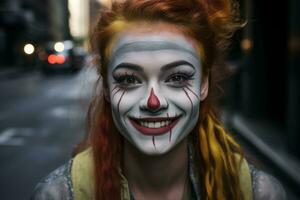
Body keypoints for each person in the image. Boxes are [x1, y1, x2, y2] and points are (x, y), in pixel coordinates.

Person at [32, 0, 286, 199]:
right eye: (129, 80)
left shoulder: (260, 194)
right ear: (108, 88)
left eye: (177, 77)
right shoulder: (58, 195)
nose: (154, 102)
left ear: (204, 84)